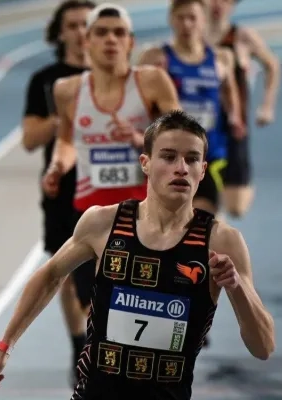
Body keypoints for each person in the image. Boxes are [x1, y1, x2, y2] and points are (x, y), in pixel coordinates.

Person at [0, 110, 275, 400]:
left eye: (191, 159)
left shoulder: (221, 241)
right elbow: (50, 275)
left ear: (202, 170)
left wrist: (236, 288)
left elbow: (263, 347)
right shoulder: (103, 223)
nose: (181, 167)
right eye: (168, 157)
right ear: (145, 162)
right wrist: (3, 347)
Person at [41, 2, 180, 378]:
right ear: (86, 41)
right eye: (101, 33)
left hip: (145, 217)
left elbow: (181, 142)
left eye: (119, 33)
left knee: (140, 310)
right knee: (99, 310)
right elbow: (68, 141)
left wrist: (139, 139)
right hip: (91, 217)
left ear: (130, 42)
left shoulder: (151, 82)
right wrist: (58, 165)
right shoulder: (67, 89)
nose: (110, 40)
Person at [21, 0, 96, 386]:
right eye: (74, 25)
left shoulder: (117, 76)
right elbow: (30, 140)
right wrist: (66, 114)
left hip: (109, 186)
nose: (82, 32)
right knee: (66, 271)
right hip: (63, 188)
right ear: (61, 32)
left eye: (89, 24)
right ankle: (79, 345)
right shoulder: (46, 81)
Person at [138, 0, 244, 216]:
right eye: (181, 18)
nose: (186, 24)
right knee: (168, 217)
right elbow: (138, 97)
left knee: (204, 218)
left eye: (192, 18)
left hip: (208, 153)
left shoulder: (221, 58)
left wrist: (235, 118)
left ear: (203, 21)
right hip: (167, 153)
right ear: (171, 19)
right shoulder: (156, 57)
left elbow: (229, 92)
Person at [205, 0, 280, 217]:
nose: (218, 4)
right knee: (204, 206)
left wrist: (267, 106)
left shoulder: (241, 37)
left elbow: (272, 65)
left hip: (234, 127)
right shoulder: (190, 36)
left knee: (237, 208)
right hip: (200, 129)